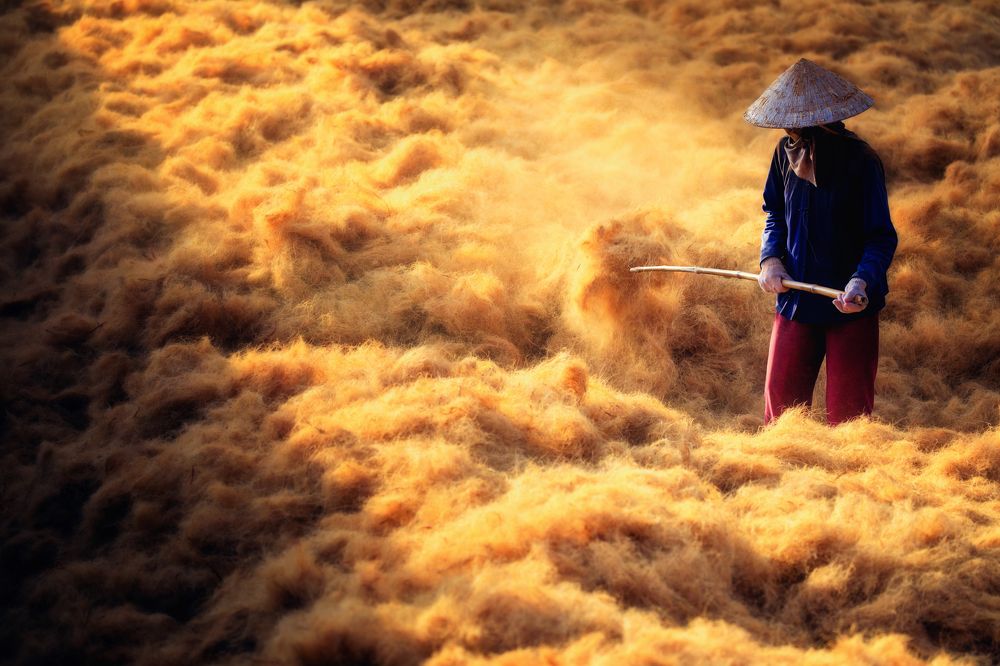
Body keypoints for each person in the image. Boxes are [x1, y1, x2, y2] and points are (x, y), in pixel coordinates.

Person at [744, 59, 898, 425]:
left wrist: (861, 281)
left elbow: (881, 236)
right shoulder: (783, 154)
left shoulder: (862, 161)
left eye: (797, 126)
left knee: (849, 420)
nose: (789, 130)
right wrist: (771, 261)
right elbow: (775, 214)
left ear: (822, 122)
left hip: (849, 306)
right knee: (780, 415)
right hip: (796, 299)